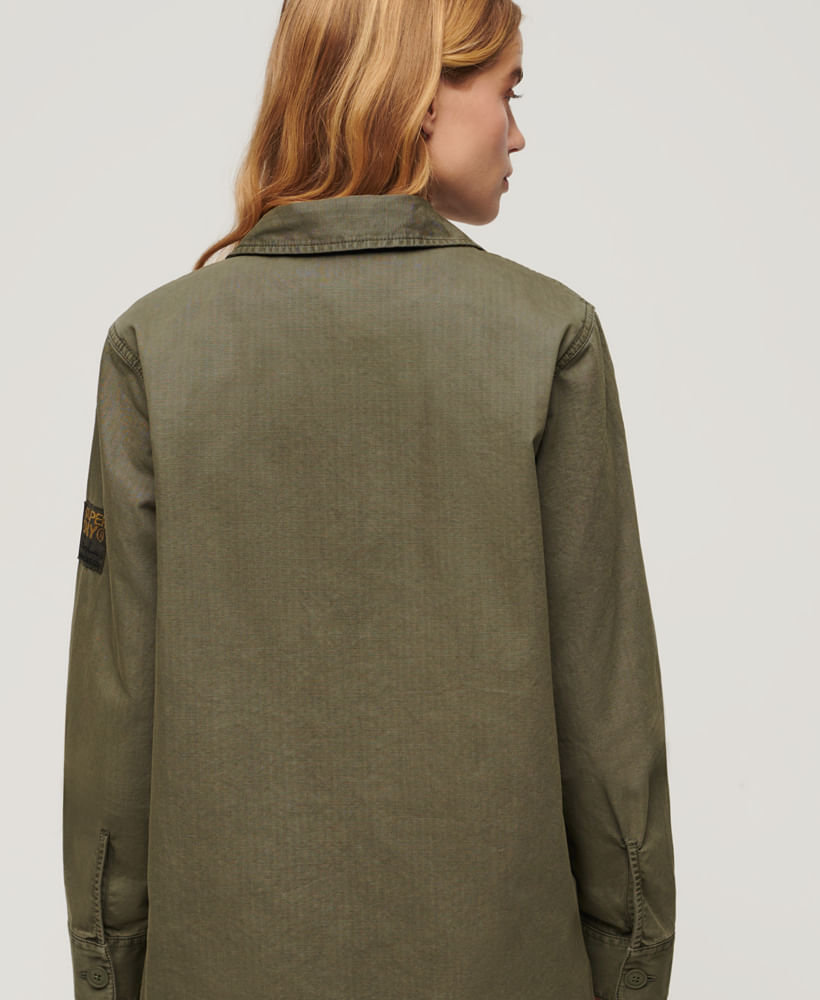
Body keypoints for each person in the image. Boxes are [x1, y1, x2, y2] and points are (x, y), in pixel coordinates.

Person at [61, 1, 676, 998]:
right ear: (422, 95)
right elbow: (609, 723)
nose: (517, 133)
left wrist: (107, 970)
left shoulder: (156, 349)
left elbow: (112, 728)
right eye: (507, 92)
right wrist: (632, 968)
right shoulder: (549, 338)